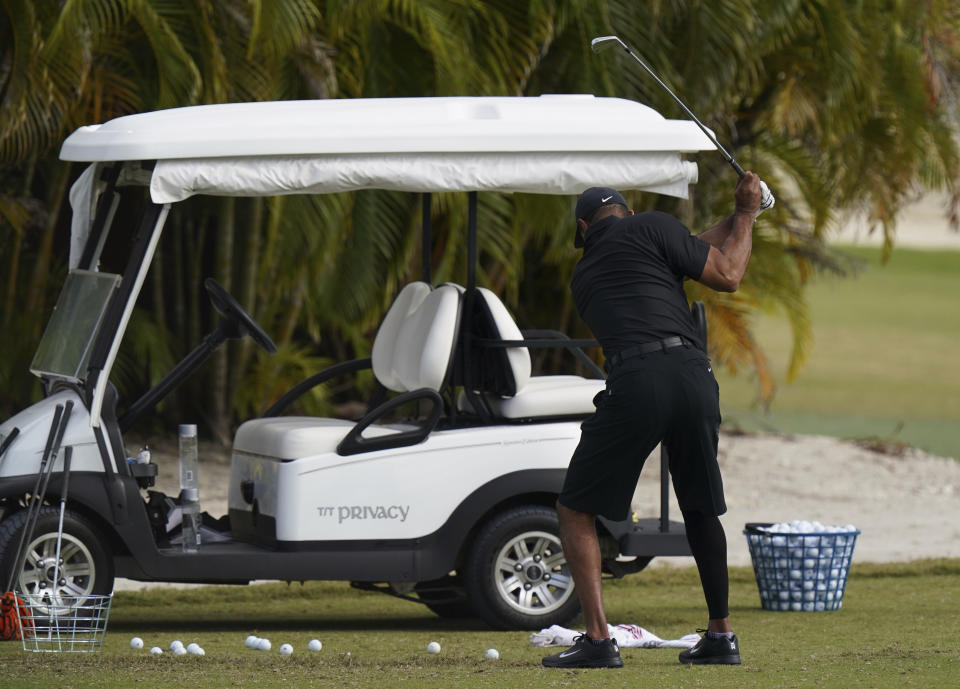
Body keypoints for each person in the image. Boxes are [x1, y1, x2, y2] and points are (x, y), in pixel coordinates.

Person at [541, 172, 763, 669]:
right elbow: (724, 270)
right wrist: (747, 213)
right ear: (630, 213)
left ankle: (599, 640)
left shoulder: (585, 274)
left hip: (638, 381)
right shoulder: (656, 229)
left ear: (583, 228)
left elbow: (695, 255)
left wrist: (743, 211)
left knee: (576, 510)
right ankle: (721, 636)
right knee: (701, 507)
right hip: (692, 375)